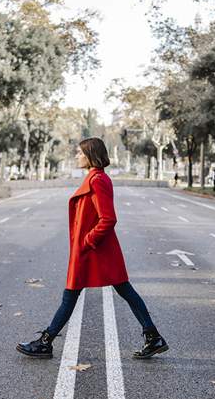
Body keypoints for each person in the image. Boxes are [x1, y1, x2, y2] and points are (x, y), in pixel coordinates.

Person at [16, 137, 168, 360]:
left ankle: (45, 342)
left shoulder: (97, 180)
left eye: (79, 153)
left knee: (73, 295)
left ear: (90, 155)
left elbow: (108, 218)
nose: (77, 156)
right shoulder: (95, 178)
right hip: (96, 251)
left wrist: (87, 241)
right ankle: (153, 337)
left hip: (94, 251)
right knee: (122, 292)